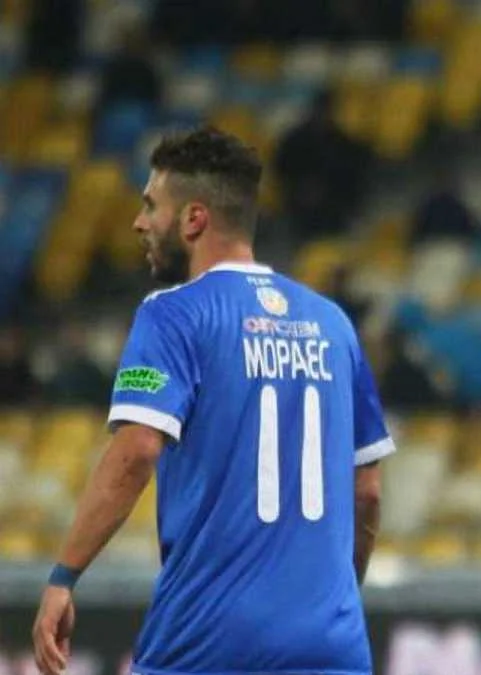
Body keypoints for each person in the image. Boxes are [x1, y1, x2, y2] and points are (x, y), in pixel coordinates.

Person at [31, 127, 395, 675]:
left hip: (207, 643)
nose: (139, 223)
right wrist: (331, 604)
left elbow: (137, 450)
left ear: (194, 219)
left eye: (151, 205)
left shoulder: (173, 314)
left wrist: (65, 576)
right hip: (331, 647)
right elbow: (367, 490)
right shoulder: (334, 324)